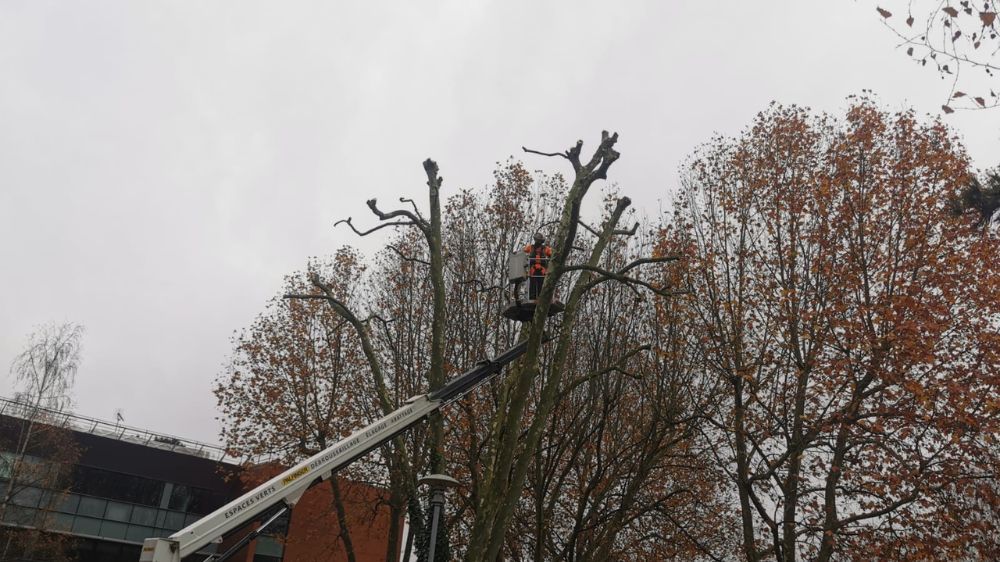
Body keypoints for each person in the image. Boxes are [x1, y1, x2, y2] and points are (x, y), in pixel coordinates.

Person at [523, 232, 553, 301]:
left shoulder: (546, 248)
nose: (538, 241)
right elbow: (523, 251)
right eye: (537, 240)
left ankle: (541, 298)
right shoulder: (530, 247)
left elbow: (552, 254)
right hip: (533, 269)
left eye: (539, 240)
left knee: (541, 284)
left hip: (542, 270)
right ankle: (532, 298)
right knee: (532, 284)